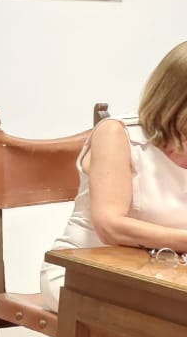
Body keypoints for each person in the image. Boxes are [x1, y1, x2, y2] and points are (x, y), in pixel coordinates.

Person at [39, 41, 187, 311]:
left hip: (169, 275)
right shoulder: (117, 133)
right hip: (86, 273)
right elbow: (110, 226)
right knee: (162, 319)